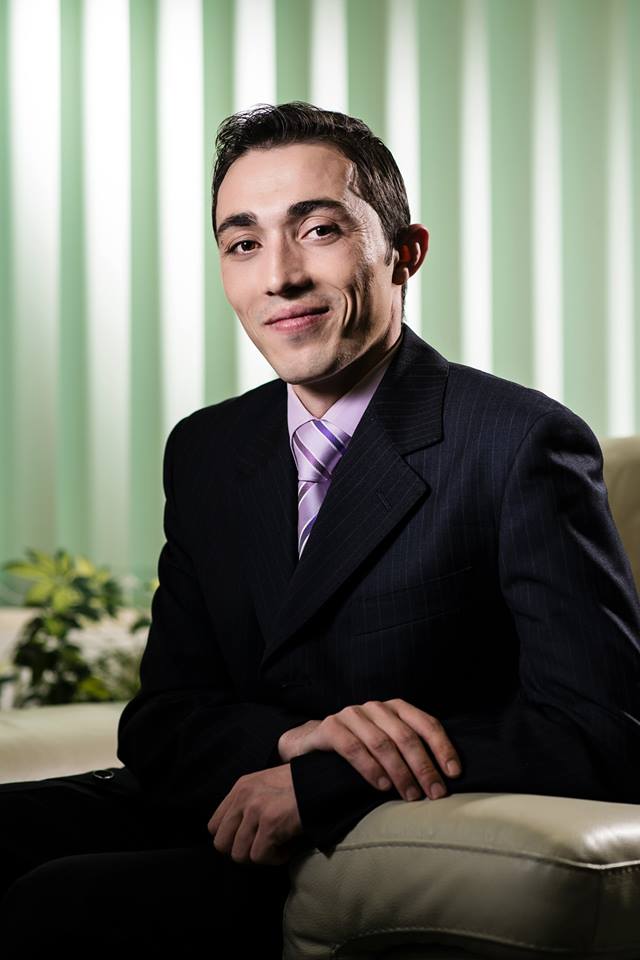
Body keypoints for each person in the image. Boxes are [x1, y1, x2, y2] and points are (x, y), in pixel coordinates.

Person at [1, 101, 639, 957]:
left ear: (404, 252)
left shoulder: (517, 442)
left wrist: (326, 776)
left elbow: (600, 729)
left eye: (319, 230)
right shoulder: (207, 449)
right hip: (213, 797)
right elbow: (162, 722)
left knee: (62, 903)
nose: (279, 277)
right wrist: (291, 737)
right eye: (244, 243)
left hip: (347, 837)